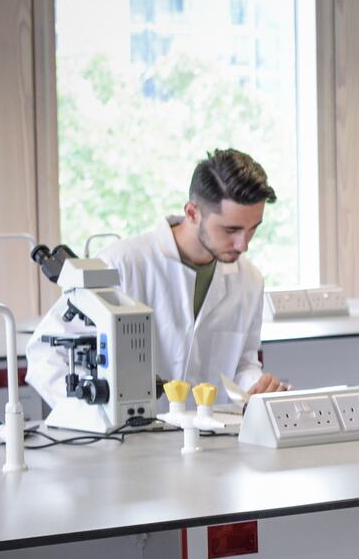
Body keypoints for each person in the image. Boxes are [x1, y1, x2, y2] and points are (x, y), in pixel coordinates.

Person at [27, 148, 284, 405]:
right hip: (130, 437)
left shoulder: (249, 280)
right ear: (193, 213)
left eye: (253, 229)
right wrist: (96, 413)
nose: (243, 245)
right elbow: (45, 356)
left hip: (210, 436)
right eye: (231, 230)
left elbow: (242, 363)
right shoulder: (122, 263)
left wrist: (256, 386)